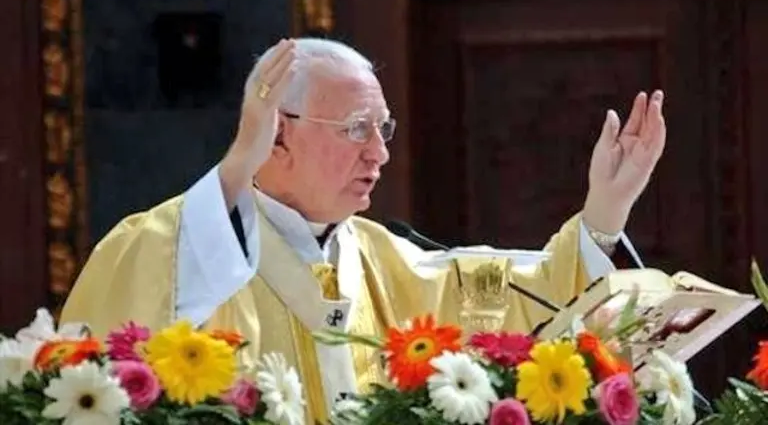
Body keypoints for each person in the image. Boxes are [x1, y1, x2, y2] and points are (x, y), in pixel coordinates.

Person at [60, 37, 666, 421]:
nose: (379, 153)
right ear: (277, 131)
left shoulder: (381, 256)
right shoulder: (160, 245)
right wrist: (236, 168)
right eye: (355, 128)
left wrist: (605, 213)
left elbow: (519, 298)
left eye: (384, 129)